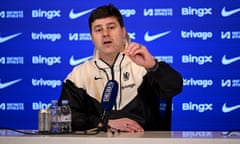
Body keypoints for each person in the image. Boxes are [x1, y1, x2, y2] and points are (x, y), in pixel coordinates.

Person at [58, 4, 183, 133]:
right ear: (91, 37)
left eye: (111, 27)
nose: (105, 34)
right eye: (98, 29)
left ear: (123, 31)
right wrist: (104, 123)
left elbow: (175, 87)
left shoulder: (145, 65)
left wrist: (153, 65)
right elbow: (65, 117)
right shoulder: (79, 75)